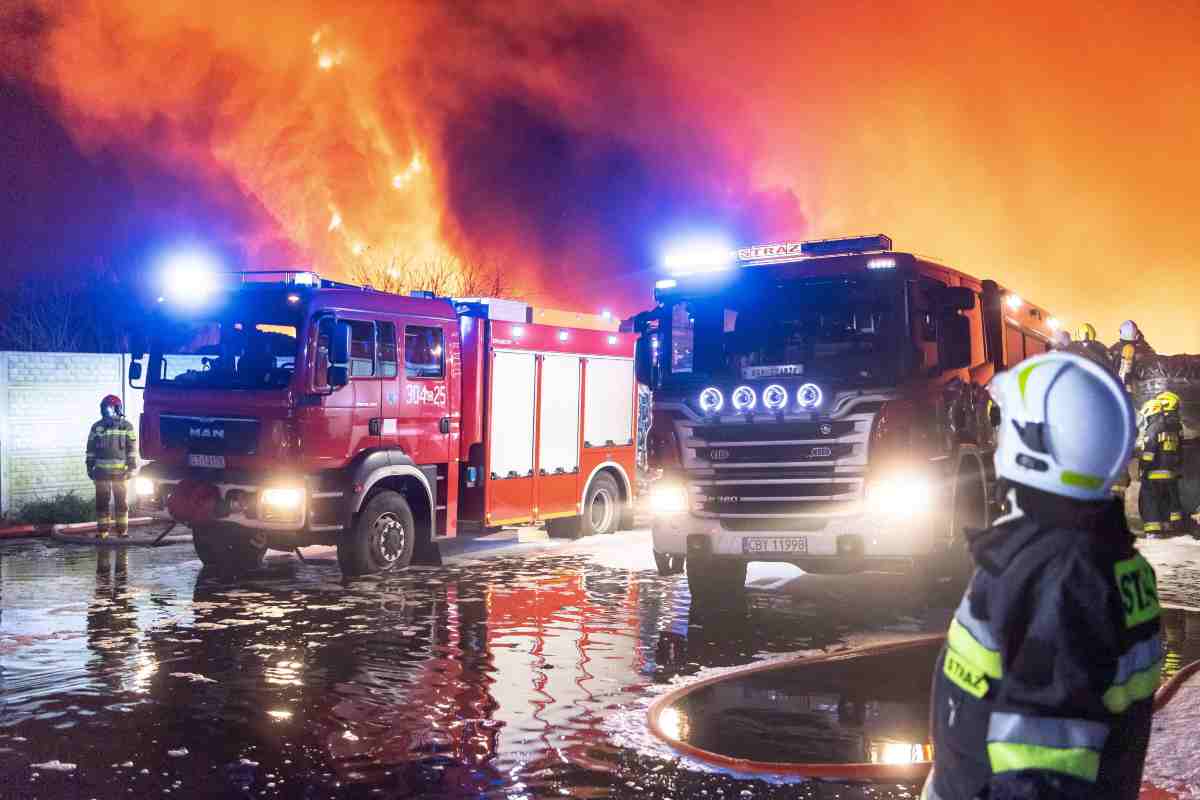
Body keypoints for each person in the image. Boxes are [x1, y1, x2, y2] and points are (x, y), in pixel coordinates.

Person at [924, 351, 1159, 800]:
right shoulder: (1089, 555)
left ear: (1033, 446)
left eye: (1006, 424)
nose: (997, 438)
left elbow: (1044, 764)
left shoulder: (1059, 574)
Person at [85, 395, 138, 539]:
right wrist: (89, 467)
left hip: (121, 473)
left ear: (116, 408)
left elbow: (132, 449)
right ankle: (103, 532)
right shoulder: (97, 427)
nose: (104, 411)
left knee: (121, 503)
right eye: (103, 408)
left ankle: (122, 532)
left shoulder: (127, 426)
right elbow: (90, 449)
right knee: (102, 503)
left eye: (106, 407)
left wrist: (132, 468)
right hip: (102, 473)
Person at [1139, 391, 1185, 537]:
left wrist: (1143, 466)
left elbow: (1149, 451)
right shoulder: (1177, 427)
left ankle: (1153, 530)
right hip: (1170, 473)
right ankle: (1169, 526)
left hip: (1153, 472)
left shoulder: (1156, 426)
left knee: (1149, 500)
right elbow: (1180, 451)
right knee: (1168, 500)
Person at [1108, 320, 1155, 390]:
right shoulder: (1145, 349)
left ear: (1120, 333)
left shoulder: (1114, 349)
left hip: (1117, 388)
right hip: (1139, 390)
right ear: (1136, 335)